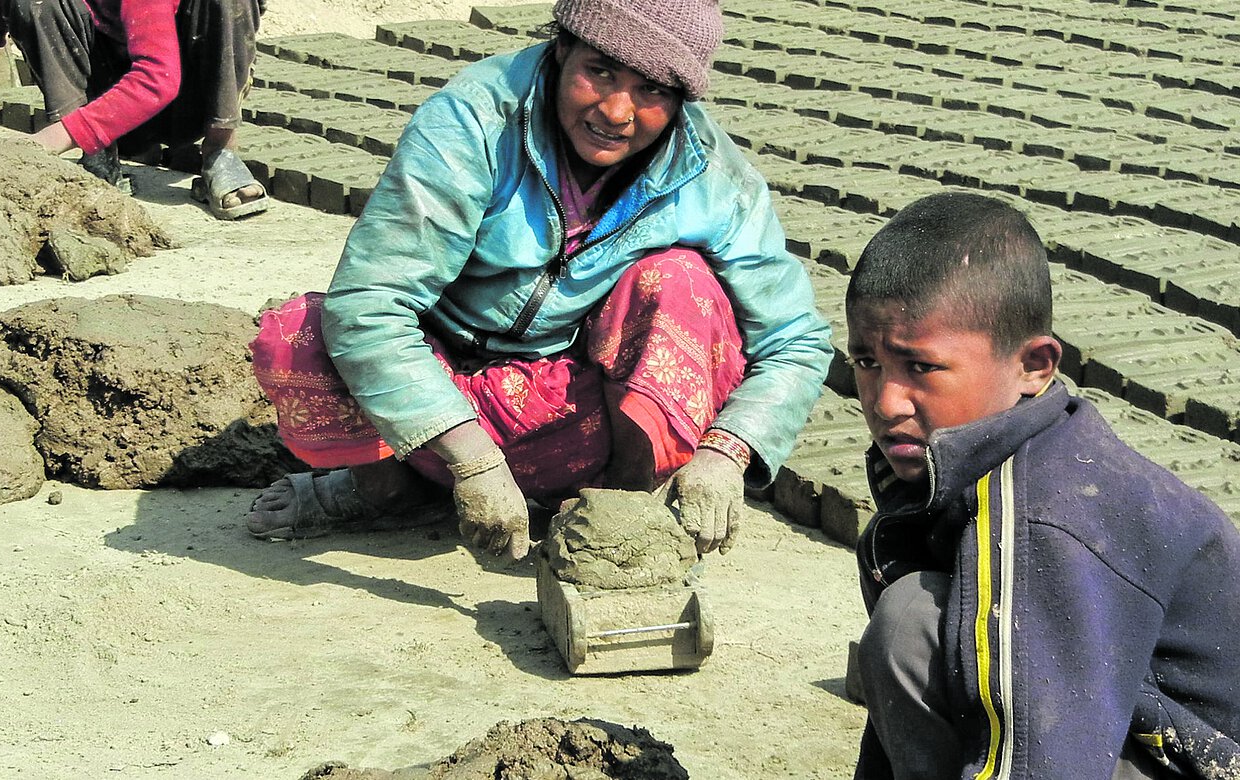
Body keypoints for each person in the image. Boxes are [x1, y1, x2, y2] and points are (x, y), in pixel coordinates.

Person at [245, 0, 832, 559]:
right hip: (435, 388)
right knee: (298, 334)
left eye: (652, 90)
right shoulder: (475, 118)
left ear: (682, 100)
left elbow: (797, 342)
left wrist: (727, 455)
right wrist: (472, 461)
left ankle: (620, 513)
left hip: (568, 405)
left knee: (681, 281)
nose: (616, 112)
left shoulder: (711, 174)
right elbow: (372, 302)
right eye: (599, 72)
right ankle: (390, 492)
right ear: (561, 48)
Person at [845, 191, 1240, 779]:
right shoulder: (943, 466)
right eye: (865, 362)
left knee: (912, 626)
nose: (884, 401)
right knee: (920, 626)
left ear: (1034, 366)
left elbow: (1044, 761)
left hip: (1219, 768)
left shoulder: (1042, 520)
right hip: (1133, 729)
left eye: (921, 368)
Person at [0, 0, 269, 217]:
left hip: (188, 95)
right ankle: (99, 162)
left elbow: (158, 78)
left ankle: (220, 153)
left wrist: (46, 143)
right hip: (101, 98)